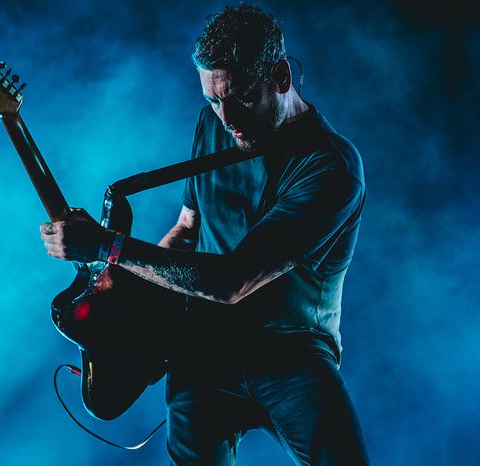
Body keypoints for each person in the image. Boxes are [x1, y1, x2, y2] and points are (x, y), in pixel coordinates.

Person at [40, 4, 369, 465]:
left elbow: (232, 280)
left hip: (292, 353)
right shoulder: (213, 124)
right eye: (214, 100)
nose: (227, 117)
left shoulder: (330, 167)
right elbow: (187, 230)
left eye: (240, 98)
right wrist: (124, 292)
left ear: (280, 76)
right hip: (204, 353)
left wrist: (108, 246)